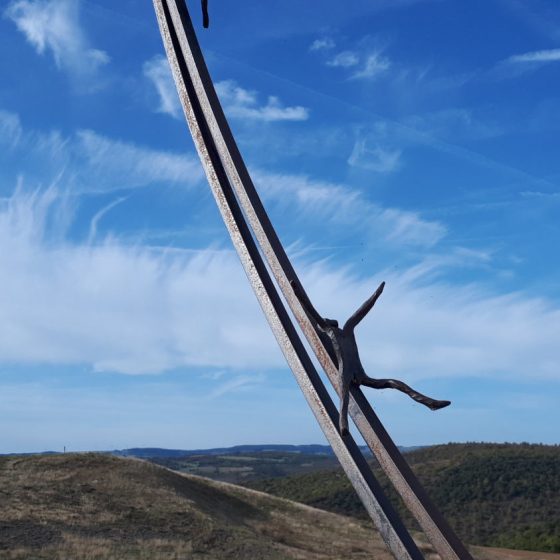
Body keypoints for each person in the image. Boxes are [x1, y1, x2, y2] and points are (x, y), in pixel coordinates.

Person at [291, 280, 450, 436]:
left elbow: (358, 311)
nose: (324, 321)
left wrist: (376, 294)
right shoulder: (339, 330)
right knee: (349, 396)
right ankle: (343, 425)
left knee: (384, 385)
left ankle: (430, 403)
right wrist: (297, 292)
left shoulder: (343, 329)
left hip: (354, 372)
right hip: (351, 372)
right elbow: (315, 311)